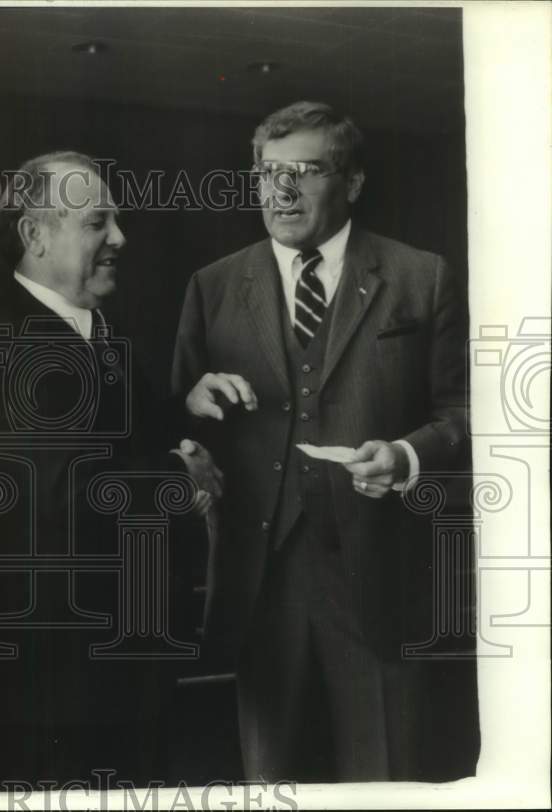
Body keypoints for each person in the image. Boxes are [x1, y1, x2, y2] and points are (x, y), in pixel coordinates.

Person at [171, 101, 471, 781]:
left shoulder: (421, 277)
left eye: (304, 172)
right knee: (267, 784)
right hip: (259, 582)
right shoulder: (213, 286)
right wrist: (191, 407)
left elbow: (464, 410)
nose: (280, 192)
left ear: (353, 182)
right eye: (268, 173)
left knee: (386, 779)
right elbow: (176, 430)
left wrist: (409, 455)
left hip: (378, 575)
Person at [0, 151, 220, 788]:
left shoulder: (100, 332)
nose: (120, 239)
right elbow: (61, 495)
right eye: (97, 222)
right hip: (56, 689)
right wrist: (179, 476)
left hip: (130, 671)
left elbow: (106, 441)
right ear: (35, 235)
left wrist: (183, 408)